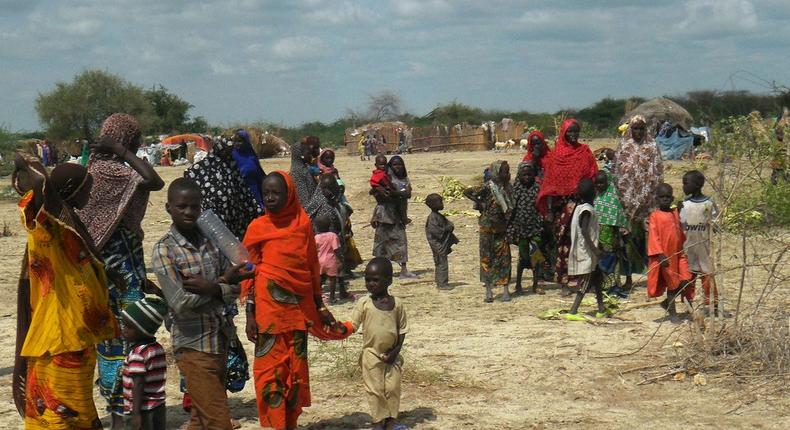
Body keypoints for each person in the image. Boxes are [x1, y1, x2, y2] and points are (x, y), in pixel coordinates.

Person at [12, 152, 117, 429]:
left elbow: (85, 263)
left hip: (77, 332)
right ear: (72, 192)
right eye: (87, 191)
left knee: (75, 404)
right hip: (62, 333)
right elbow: (39, 196)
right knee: (62, 410)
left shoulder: (71, 226)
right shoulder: (49, 229)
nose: (90, 197)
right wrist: (31, 166)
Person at [242, 172, 351, 429]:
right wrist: (249, 314)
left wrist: (320, 306)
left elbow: (312, 268)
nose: (269, 198)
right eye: (266, 192)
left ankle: (289, 423)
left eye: (276, 193)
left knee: (294, 370)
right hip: (267, 312)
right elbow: (250, 272)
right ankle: (275, 423)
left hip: (298, 313)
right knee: (269, 372)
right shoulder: (257, 227)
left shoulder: (302, 224)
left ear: (289, 194)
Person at [76, 113, 165, 427]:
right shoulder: (117, 173)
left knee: (109, 334)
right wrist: (125, 154)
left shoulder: (91, 170)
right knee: (127, 329)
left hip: (99, 268)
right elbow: (156, 181)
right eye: (133, 141)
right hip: (120, 266)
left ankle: (118, 401)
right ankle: (129, 401)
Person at [152, 178, 252, 429]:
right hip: (193, 345)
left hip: (219, 338)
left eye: (194, 207)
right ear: (168, 208)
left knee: (200, 419)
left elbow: (235, 286)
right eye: (181, 206)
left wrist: (214, 286)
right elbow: (180, 302)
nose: (188, 212)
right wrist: (221, 284)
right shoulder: (165, 250)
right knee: (218, 421)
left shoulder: (211, 241)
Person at [536, 119, 598, 294]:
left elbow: (592, 176)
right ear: (563, 133)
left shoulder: (585, 152)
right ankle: (565, 282)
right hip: (562, 207)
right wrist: (548, 211)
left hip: (583, 204)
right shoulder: (556, 156)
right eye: (569, 132)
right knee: (564, 243)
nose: (573, 135)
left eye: (575, 131)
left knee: (584, 241)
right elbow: (549, 185)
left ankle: (584, 280)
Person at [350, 258, 409, 430]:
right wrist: (336, 329)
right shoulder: (364, 303)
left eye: (375, 280)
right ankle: (378, 420)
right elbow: (352, 324)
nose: (371, 284)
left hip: (392, 354)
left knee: (392, 388)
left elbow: (402, 330)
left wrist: (396, 351)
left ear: (389, 280)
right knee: (374, 389)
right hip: (371, 353)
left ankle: (391, 419)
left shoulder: (397, 304)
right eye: (367, 279)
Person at [615, 115, 665, 288]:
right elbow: (617, 173)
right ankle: (628, 276)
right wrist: (621, 196)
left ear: (646, 129)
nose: (638, 132)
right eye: (635, 128)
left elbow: (658, 172)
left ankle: (652, 275)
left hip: (648, 200)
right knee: (627, 237)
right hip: (627, 200)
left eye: (641, 128)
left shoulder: (652, 146)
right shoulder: (623, 146)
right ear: (630, 129)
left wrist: (653, 195)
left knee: (649, 236)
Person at [184, 137, 262, 239]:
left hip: (234, 215)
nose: (227, 153)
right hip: (215, 214)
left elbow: (244, 192)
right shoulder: (202, 169)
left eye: (230, 150)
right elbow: (191, 177)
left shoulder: (233, 168)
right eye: (225, 150)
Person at [464, 160, 514, 302]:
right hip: (487, 228)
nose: (507, 174)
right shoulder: (488, 187)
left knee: (504, 258)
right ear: (497, 172)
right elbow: (467, 191)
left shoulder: (508, 188)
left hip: (502, 228)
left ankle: (505, 290)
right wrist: (480, 203)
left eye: (508, 171)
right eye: (504, 171)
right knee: (487, 258)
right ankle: (489, 290)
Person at [120, 297, 167, 430]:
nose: (124, 330)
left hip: (141, 410)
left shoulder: (137, 354)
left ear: (143, 330)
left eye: (129, 327)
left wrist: (136, 414)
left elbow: (138, 384)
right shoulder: (157, 348)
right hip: (158, 407)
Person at [647, 183, 692, 316]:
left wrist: (679, 209)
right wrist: (660, 255)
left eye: (667, 197)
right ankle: (672, 312)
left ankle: (667, 302)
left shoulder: (674, 213)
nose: (665, 199)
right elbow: (653, 237)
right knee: (673, 284)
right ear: (657, 199)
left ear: (672, 198)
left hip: (679, 254)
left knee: (686, 279)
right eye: (662, 197)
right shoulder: (655, 216)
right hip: (666, 256)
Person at [679, 170, 719, 315]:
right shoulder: (684, 204)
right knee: (689, 276)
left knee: (707, 275)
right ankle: (689, 303)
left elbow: (715, 224)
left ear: (696, 185)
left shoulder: (708, 204)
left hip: (704, 247)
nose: (683, 186)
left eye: (686, 183)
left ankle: (712, 304)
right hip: (688, 246)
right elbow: (681, 224)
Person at [371, 156, 416, 279]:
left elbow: (408, 193)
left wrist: (396, 194)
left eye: (400, 165)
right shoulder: (385, 178)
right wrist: (398, 194)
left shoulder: (404, 179)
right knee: (381, 243)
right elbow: (378, 194)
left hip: (398, 216)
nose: (398, 167)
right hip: (384, 215)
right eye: (395, 165)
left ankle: (404, 269)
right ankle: (380, 270)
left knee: (401, 241)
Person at [507, 161, 545, 295]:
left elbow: (541, 206)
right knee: (522, 258)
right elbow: (511, 210)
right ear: (519, 174)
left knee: (536, 257)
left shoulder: (537, 188)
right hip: (521, 229)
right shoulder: (515, 189)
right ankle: (518, 284)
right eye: (524, 174)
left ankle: (536, 284)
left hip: (534, 227)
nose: (527, 177)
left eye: (529, 174)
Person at [567, 179, 604, 316]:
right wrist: (595, 249)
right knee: (586, 281)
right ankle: (573, 310)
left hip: (588, 249)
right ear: (592, 193)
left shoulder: (579, 207)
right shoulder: (587, 210)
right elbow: (584, 230)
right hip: (587, 250)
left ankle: (601, 307)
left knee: (597, 279)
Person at [593, 171, 631, 298]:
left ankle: (614, 288)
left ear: (608, 182)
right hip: (598, 236)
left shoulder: (613, 199)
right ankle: (603, 286)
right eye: (597, 183)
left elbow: (616, 221)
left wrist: (616, 238)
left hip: (611, 236)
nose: (599, 185)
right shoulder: (596, 197)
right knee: (600, 262)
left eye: (601, 182)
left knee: (613, 262)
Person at [425, 193, 459, 290]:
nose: (442, 204)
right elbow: (435, 231)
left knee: (441, 262)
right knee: (441, 263)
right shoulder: (432, 217)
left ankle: (440, 281)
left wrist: (449, 226)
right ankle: (442, 283)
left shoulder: (438, 216)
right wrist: (446, 229)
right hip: (438, 245)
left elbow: (449, 224)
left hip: (441, 244)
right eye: (440, 202)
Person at [232, 129, 267, 207]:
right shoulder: (232, 156)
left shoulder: (252, 156)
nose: (237, 144)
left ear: (246, 141)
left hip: (254, 191)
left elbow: (259, 174)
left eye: (240, 141)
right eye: (235, 141)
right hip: (238, 193)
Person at [315, 213, 343, 302]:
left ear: (316, 227)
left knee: (319, 280)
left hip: (319, 261)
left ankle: (318, 296)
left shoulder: (316, 237)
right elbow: (336, 250)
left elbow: (314, 250)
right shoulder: (332, 236)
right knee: (332, 280)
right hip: (331, 261)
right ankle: (332, 297)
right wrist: (341, 259)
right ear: (329, 225)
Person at [290, 135, 321, 207]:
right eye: (308, 153)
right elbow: (304, 200)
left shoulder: (305, 169)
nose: (310, 156)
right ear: (300, 155)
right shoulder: (298, 173)